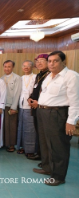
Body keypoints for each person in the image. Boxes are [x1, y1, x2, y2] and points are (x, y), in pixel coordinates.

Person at [33, 51, 79, 186]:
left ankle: (58, 176)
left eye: (55, 61)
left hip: (58, 114)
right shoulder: (49, 76)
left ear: (63, 62)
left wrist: (71, 121)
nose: (51, 64)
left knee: (58, 146)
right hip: (43, 112)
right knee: (45, 142)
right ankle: (47, 167)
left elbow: (75, 101)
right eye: (50, 61)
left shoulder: (71, 76)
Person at [27, 54, 50, 163]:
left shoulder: (50, 75)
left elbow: (48, 93)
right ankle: (40, 154)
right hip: (36, 108)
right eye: (37, 61)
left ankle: (46, 159)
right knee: (39, 133)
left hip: (45, 109)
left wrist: (39, 102)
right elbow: (35, 90)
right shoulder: (39, 75)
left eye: (42, 61)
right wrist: (30, 98)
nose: (39, 63)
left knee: (45, 135)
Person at [16, 61, 37, 158]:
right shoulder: (20, 78)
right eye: (24, 66)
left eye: (28, 66)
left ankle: (31, 150)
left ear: (32, 67)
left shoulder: (36, 77)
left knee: (30, 128)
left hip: (30, 106)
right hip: (21, 106)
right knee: (21, 127)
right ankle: (23, 147)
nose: (26, 68)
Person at [1, 60, 22, 152]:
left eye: (9, 66)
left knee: (12, 126)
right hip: (2, 105)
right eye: (5, 66)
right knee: (4, 125)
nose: (7, 68)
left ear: (13, 67)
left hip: (11, 106)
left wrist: (14, 107)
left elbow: (17, 93)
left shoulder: (17, 78)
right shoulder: (1, 78)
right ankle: (5, 143)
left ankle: (12, 144)